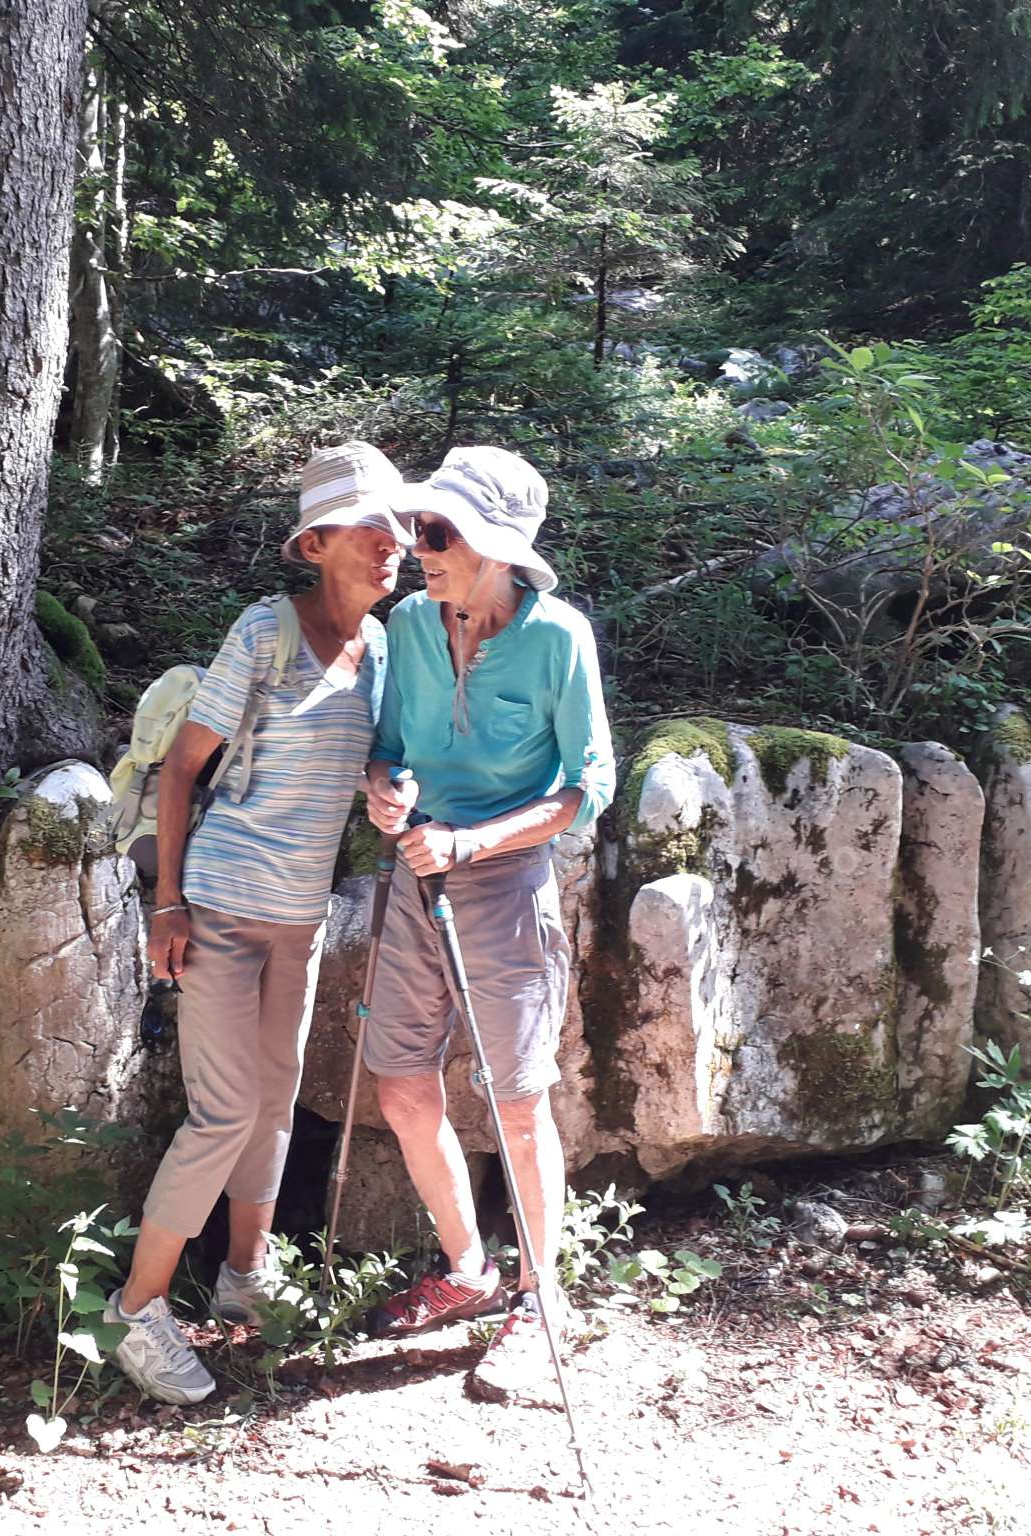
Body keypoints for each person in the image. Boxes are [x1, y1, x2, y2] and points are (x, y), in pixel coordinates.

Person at [104, 440, 414, 1405]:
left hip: (300, 918)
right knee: (227, 1111)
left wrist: (385, 783)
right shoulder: (264, 632)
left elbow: (374, 756)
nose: (393, 543)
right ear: (315, 544)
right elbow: (183, 768)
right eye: (371, 528)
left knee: (275, 1103)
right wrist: (168, 901)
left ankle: (244, 1278)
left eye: (399, 527)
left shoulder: (383, 648)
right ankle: (135, 1310)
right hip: (223, 908)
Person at [358, 444, 615, 1399]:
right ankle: (469, 1272)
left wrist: (476, 843)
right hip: (415, 872)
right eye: (417, 526)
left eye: (437, 531)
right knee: (400, 1087)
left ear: (496, 548)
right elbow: (388, 748)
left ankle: (543, 1301)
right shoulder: (408, 625)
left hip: (505, 887)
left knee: (515, 1102)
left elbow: (589, 786)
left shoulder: (559, 638)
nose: (416, 546)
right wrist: (385, 790)